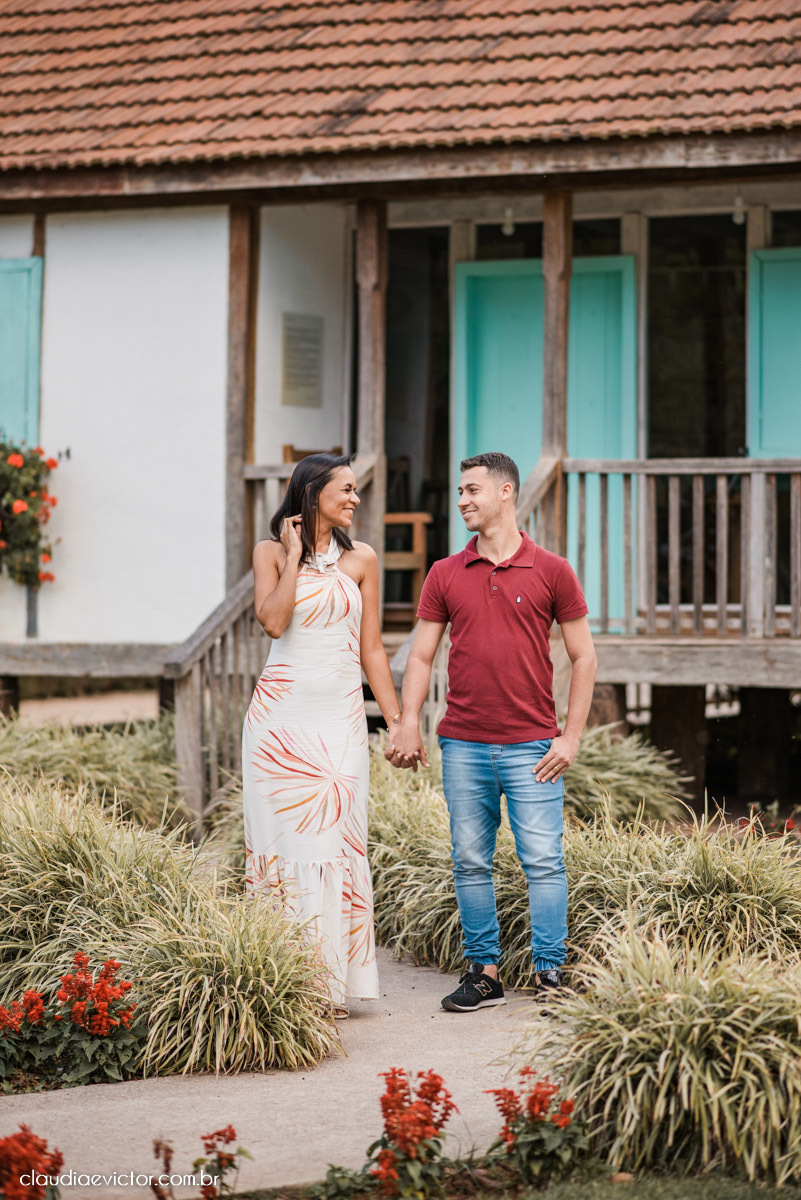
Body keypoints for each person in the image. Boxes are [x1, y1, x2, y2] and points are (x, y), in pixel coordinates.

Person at [386, 452, 597, 1012]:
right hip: (464, 743)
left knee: (543, 861)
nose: (462, 500)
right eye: (460, 491)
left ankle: (552, 973)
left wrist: (569, 737)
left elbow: (585, 657)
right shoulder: (445, 573)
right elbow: (422, 656)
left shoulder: (552, 569)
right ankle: (484, 974)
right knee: (470, 860)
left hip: (533, 745)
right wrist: (410, 720)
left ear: (506, 492)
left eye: (473, 490)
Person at [243, 454, 400, 1017]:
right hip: (280, 722)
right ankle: (294, 983)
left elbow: (372, 648)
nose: (356, 499)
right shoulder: (269, 553)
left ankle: (335, 982)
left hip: (340, 720)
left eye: (356, 491)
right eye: (347, 490)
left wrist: (399, 720)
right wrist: (291, 559)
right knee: (287, 847)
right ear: (311, 493)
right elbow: (274, 622)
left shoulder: (362, 559)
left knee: (335, 843)